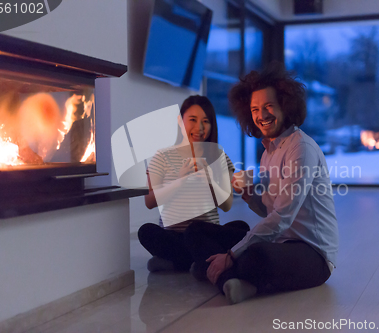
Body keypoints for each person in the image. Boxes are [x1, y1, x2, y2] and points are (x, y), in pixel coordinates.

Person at [184, 64, 339, 304]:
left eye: (268, 106)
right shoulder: (268, 151)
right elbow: (270, 210)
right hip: (278, 241)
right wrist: (248, 195)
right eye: (255, 109)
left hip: (311, 254)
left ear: (285, 106)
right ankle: (231, 280)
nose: (261, 115)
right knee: (196, 230)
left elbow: (283, 217)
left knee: (254, 254)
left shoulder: (301, 148)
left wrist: (232, 255)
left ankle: (215, 271)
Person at [138, 95, 249, 272]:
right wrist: (180, 180)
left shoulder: (219, 157)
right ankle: (200, 261)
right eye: (193, 120)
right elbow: (150, 202)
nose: (200, 127)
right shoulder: (162, 156)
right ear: (180, 121)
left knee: (242, 228)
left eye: (206, 121)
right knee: (146, 231)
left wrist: (209, 179)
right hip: (174, 236)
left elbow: (227, 205)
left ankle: (177, 262)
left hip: (203, 234)